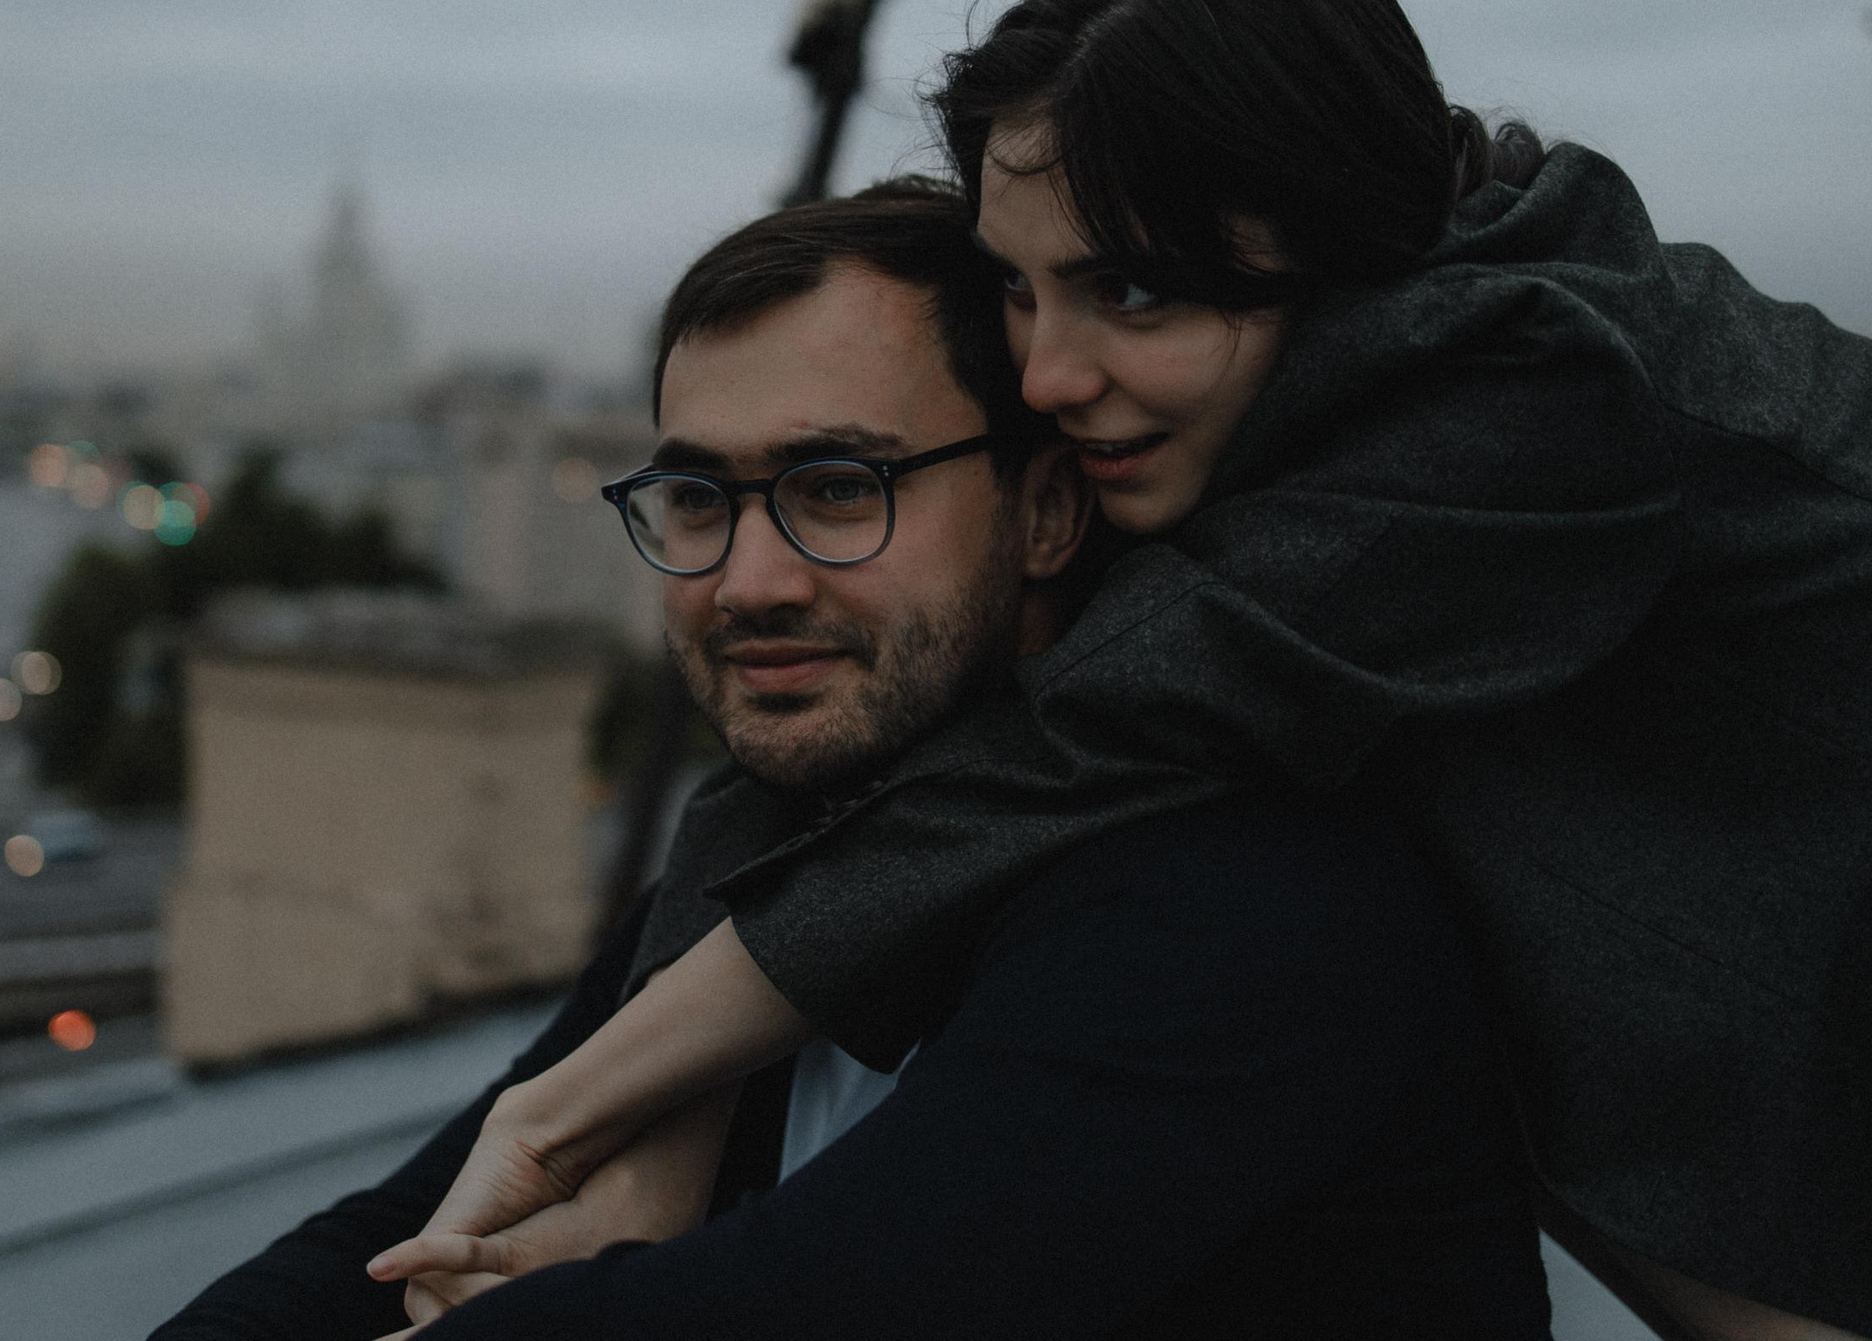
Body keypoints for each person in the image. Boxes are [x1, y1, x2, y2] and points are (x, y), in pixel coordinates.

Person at [390, 0, 1872, 1341]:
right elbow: (854, 742)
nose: (1047, 376)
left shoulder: (1537, 393)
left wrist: (599, 1103)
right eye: (1019, 289)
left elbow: (1079, 739)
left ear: (1348, 249)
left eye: (1133, 293)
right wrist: (647, 1106)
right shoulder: (1273, 409)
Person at [153, 184, 1550, 1339]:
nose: (746, 580)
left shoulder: (1241, 904)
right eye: (699, 499)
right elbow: (403, 1228)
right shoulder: (776, 861)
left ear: (1049, 511)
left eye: (838, 488)